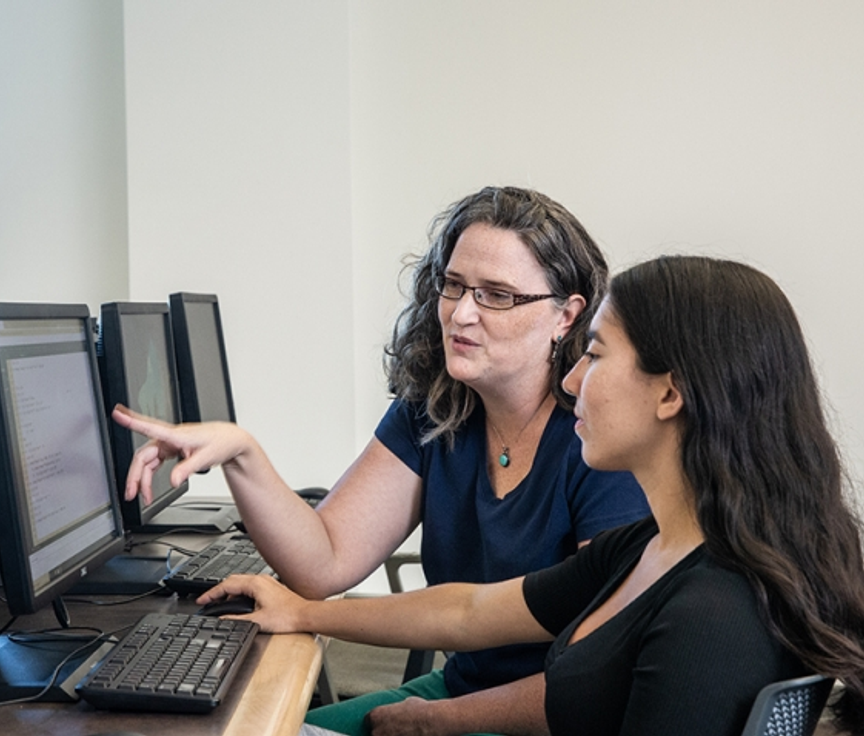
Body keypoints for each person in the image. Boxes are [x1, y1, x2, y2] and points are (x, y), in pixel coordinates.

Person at [200, 255, 864, 736]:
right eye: (454, 287)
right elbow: (469, 614)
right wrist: (302, 614)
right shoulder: (651, 550)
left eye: (597, 356)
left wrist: (442, 720)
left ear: (670, 393)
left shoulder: (711, 619)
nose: (572, 380)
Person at [115, 186, 650, 735]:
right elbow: (323, 564)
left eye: (496, 295)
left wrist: (436, 721)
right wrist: (241, 452)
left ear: (567, 315)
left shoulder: (598, 443)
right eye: (454, 285)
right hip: (458, 691)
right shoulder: (436, 412)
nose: (462, 313)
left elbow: (595, 680)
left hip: (544, 718)